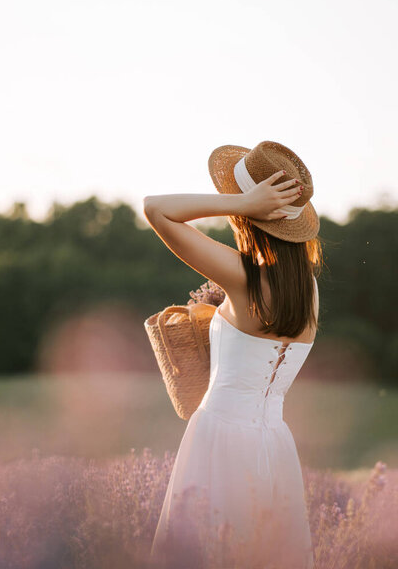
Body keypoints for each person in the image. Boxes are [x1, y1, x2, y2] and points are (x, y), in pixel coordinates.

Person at [144, 141, 322, 569]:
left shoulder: (243, 277)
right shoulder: (309, 291)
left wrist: (244, 201)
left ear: (250, 215)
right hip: (274, 445)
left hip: (219, 438)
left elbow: (155, 209)